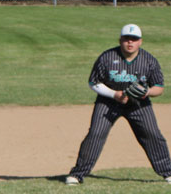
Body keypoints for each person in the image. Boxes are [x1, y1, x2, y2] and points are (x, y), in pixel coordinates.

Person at [66, 23, 171, 185]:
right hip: (108, 103)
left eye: (134, 39)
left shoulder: (149, 61)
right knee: (96, 133)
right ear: (120, 40)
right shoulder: (107, 58)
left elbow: (159, 87)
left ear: (140, 41)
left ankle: (168, 172)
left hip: (138, 104)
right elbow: (93, 82)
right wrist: (114, 94)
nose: (130, 42)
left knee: (152, 134)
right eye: (126, 39)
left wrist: (146, 92)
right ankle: (78, 174)